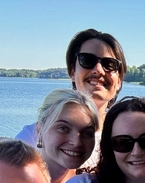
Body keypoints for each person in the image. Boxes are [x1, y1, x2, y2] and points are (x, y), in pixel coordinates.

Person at [16, 28, 126, 168]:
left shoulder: (128, 139)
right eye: (87, 60)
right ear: (72, 71)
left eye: (109, 64)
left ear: (119, 81)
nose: (98, 70)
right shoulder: (33, 136)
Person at [33, 89, 100, 183]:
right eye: (63, 128)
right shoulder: (15, 181)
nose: (77, 142)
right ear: (39, 130)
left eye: (87, 133)